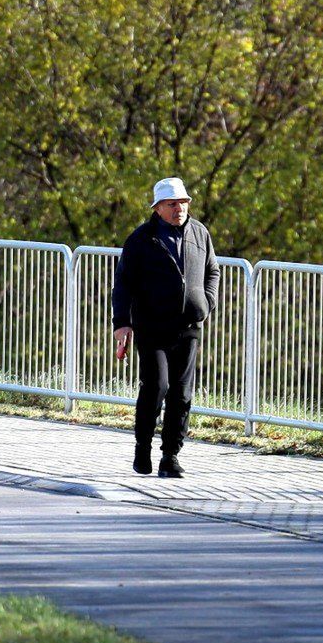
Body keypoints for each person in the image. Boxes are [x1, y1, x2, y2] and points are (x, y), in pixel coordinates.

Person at [111, 177, 220, 478]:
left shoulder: (200, 233)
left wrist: (206, 302)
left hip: (188, 326)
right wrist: (122, 324)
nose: (179, 208)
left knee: (181, 394)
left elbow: (212, 270)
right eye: (172, 204)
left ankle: (170, 456)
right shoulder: (141, 239)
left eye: (183, 202)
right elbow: (123, 283)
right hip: (152, 327)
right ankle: (142, 447)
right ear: (157, 208)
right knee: (157, 386)